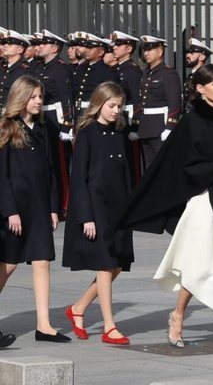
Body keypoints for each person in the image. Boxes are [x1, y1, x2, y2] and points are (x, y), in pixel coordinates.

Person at [108, 64, 213, 353]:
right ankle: (178, 315)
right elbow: (185, 168)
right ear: (200, 88)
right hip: (204, 200)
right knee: (197, 267)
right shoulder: (191, 122)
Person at [62, 82, 134, 345]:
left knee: (116, 265)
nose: (116, 111)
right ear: (99, 103)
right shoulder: (87, 133)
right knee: (105, 265)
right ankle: (109, 326)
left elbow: (127, 173)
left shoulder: (120, 133)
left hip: (118, 207)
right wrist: (86, 216)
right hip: (97, 207)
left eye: (119, 106)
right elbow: (78, 178)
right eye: (111, 105)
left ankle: (78, 308)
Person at [0, 75, 70, 343]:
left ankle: (44, 326)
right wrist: (9, 211)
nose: (39, 101)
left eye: (40, 96)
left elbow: (51, 171)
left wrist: (54, 207)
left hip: (40, 206)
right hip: (15, 208)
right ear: (21, 98)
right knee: (8, 265)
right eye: (33, 96)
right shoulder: (7, 128)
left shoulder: (44, 128)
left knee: (42, 262)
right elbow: (2, 174)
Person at [37, 29, 74, 217]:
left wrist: (67, 124)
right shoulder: (42, 67)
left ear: (54, 48)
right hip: (44, 120)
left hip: (57, 121)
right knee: (48, 163)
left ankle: (64, 204)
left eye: (44, 44)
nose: (39, 46)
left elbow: (67, 98)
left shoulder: (60, 68)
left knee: (60, 165)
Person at [138, 35, 181, 169]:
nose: (146, 53)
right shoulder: (146, 73)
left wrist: (169, 127)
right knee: (149, 167)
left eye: (149, 49)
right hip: (146, 127)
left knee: (163, 166)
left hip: (160, 127)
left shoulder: (168, 74)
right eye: (145, 50)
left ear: (160, 51)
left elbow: (174, 103)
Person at [112, 30, 142, 180]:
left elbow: (137, 100)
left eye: (119, 45)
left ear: (129, 49)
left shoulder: (132, 71)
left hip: (128, 120)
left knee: (132, 162)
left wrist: (135, 127)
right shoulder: (117, 69)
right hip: (119, 118)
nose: (114, 47)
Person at [0, 30, 31, 111]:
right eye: (4, 43)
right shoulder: (3, 68)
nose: (5, 46)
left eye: (9, 43)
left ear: (19, 50)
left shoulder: (24, 72)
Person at [183, 38, 213, 111]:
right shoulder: (191, 75)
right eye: (188, 52)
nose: (188, 55)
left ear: (202, 57)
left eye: (192, 53)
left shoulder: (205, 76)